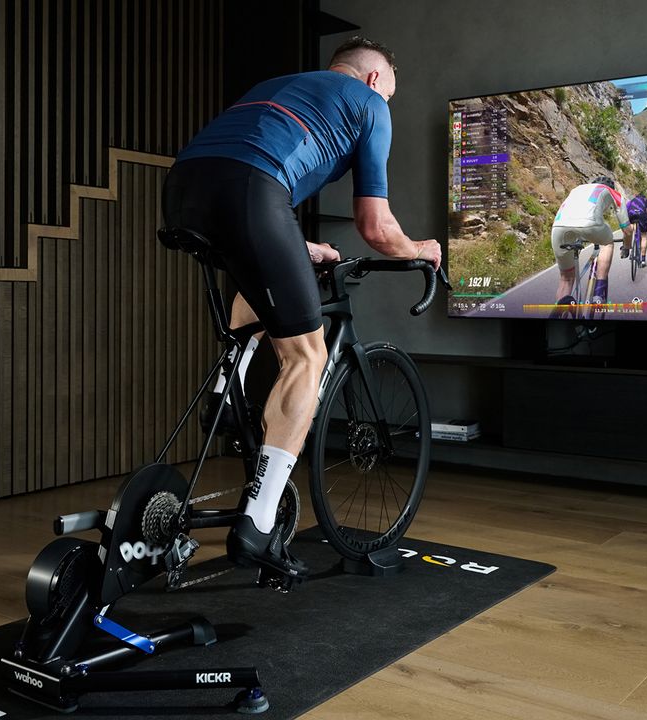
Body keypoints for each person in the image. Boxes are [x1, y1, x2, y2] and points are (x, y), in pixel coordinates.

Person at [161, 37, 442, 582]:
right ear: (374, 79)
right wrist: (420, 250)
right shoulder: (370, 103)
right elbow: (375, 227)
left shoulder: (281, 87)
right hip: (251, 191)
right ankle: (258, 527)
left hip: (183, 190)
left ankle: (226, 391)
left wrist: (299, 247)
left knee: (258, 280)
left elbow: (250, 180)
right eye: (390, 89)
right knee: (306, 359)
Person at [550, 176, 631, 305]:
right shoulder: (612, 192)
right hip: (590, 225)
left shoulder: (576, 189)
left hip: (558, 227)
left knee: (566, 278)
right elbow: (627, 230)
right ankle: (598, 294)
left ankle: (560, 316)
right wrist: (627, 247)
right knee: (607, 243)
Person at [623, 192, 647, 267]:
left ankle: (627, 247)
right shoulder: (646, 200)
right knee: (644, 236)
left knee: (630, 229)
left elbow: (625, 211)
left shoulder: (631, 201)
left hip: (632, 215)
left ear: (636, 196)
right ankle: (643, 260)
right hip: (642, 216)